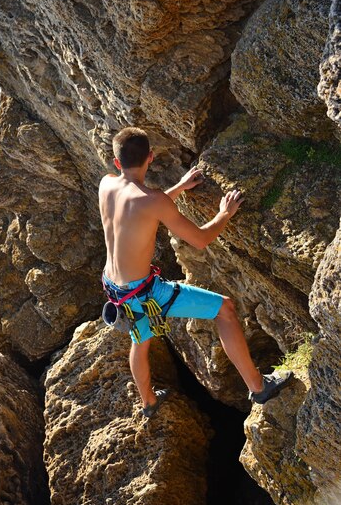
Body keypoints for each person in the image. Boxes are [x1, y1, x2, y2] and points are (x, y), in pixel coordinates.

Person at [99, 127, 293, 418]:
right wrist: (224, 214)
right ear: (150, 157)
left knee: (140, 340)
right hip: (146, 292)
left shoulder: (107, 184)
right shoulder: (153, 200)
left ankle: (148, 402)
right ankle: (259, 387)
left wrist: (177, 188)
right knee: (224, 309)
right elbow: (201, 240)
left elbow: (136, 211)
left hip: (115, 288)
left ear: (116, 162)